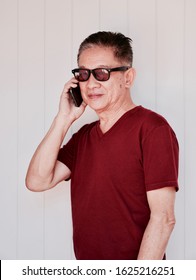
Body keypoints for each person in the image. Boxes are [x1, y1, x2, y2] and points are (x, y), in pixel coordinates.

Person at [26, 31, 179, 260]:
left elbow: (164, 219)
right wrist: (63, 119)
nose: (91, 84)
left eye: (102, 73)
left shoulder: (152, 129)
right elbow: (37, 181)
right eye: (84, 74)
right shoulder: (83, 137)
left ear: (127, 78)